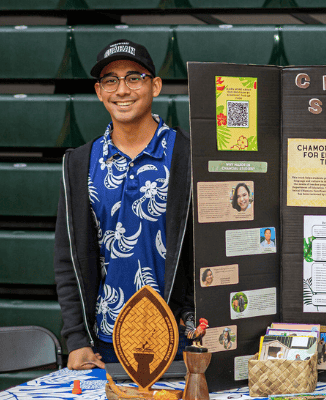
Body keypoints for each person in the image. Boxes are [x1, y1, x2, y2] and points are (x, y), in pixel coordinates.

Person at [53, 39, 195, 370]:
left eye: (134, 77)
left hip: (181, 339)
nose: (122, 90)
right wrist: (76, 338)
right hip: (108, 344)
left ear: (155, 86)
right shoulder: (79, 163)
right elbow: (67, 257)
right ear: (99, 92)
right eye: (110, 80)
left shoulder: (189, 155)